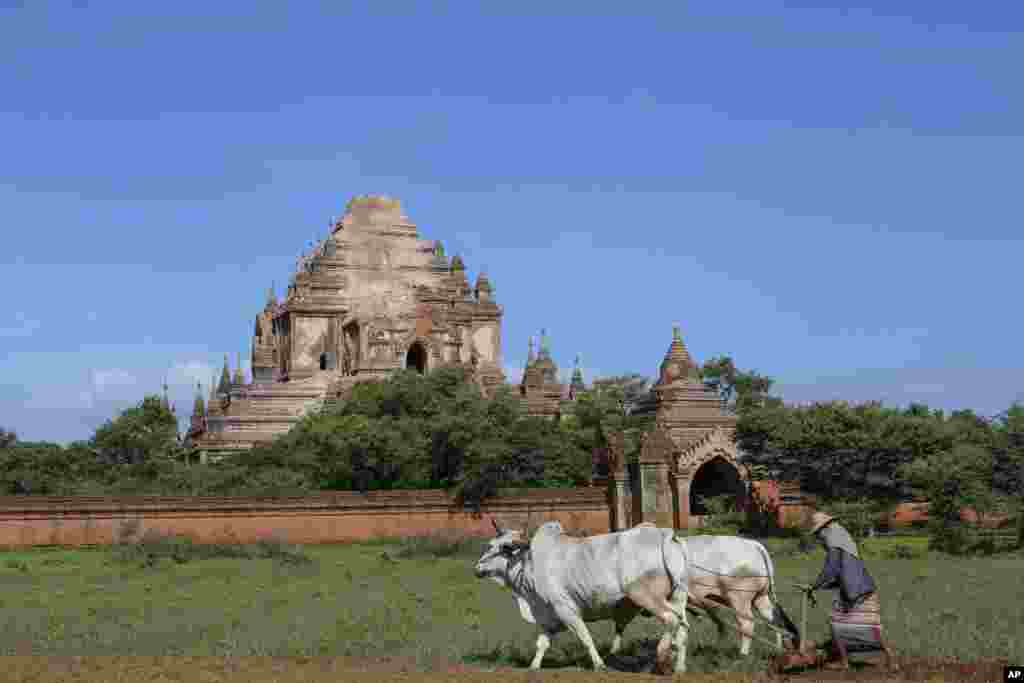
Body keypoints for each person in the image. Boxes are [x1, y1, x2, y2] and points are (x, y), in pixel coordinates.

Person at [805, 511, 899, 672]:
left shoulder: (834, 542)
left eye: (818, 534)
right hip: (864, 588)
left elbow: (831, 569)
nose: (819, 538)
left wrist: (814, 586)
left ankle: (844, 662)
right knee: (870, 627)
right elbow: (843, 574)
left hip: (855, 592)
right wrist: (818, 587)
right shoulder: (843, 541)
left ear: (824, 529)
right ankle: (891, 658)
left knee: (836, 625)